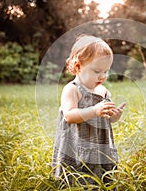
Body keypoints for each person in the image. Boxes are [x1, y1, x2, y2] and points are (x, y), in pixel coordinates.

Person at [52, 35, 126, 186]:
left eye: (106, 71)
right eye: (97, 71)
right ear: (78, 67)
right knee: (78, 175)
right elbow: (69, 116)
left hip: (99, 144)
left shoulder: (103, 91)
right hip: (77, 143)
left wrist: (114, 116)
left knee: (100, 176)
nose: (103, 76)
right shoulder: (72, 89)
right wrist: (94, 110)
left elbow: (106, 117)